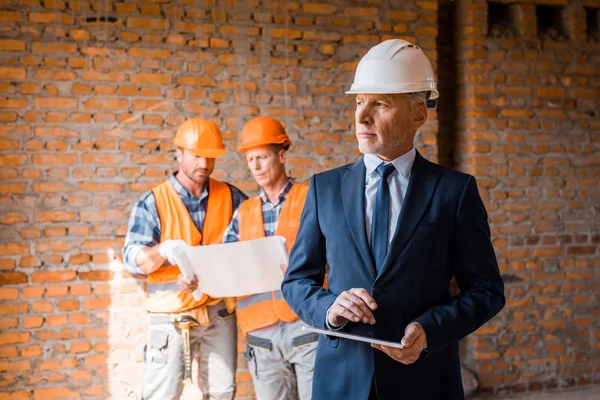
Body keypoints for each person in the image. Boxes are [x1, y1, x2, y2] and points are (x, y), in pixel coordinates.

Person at [281, 39, 506, 400]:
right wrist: (329, 310)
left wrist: (430, 330)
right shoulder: (324, 188)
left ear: (418, 114)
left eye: (379, 103)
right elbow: (296, 282)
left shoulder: (455, 191)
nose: (361, 116)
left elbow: (487, 291)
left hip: (425, 381)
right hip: (341, 381)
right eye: (358, 101)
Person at [181, 116, 318, 400]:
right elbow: (222, 267)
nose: (255, 166)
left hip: (307, 329)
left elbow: (338, 256)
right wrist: (197, 279)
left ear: (281, 155)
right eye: (250, 159)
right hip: (261, 337)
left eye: (262, 157)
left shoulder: (311, 200)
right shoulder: (243, 212)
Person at [122, 117, 247, 400]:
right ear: (178, 153)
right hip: (171, 318)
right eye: (197, 155)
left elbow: (249, 244)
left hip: (219, 314)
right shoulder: (153, 202)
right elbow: (132, 258)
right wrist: (162, 251)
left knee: (223, 393)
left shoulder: (231, 196)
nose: (204, 163)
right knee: (162, 395)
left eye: (211, 157)